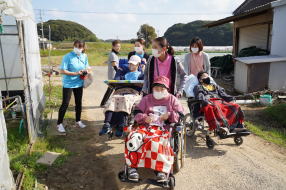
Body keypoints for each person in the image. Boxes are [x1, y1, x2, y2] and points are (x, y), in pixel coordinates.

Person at [125, 76, 184, 182]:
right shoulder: (147, 99)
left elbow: (180, 114)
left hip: (163, 128)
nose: (159, 91)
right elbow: (137, 112)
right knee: (133, 137)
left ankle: (159, 170)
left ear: (167, 89)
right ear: (152, 89)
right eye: (157, 89)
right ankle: (132, 168)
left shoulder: (172, 99)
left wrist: (170, 115)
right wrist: (144, 118)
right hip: (145, 127)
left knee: (155, 141)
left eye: (162, 89)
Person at [99, 55, 143, 137]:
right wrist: (119, 75)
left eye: (133, 64)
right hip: (121, 91)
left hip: (133, 93)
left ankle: (121, 125)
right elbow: (117, 81)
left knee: (125, 99)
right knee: (113, 99)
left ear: (138, 65)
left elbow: (142, 86)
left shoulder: (141, 75)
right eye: (129, 64)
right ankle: (107, 124)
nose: (130, 66)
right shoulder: (124, 74)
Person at [57, 40, 91, 133]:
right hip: (68, 84)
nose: (77, 48)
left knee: (78, 103)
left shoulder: (84, 56)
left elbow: (88, 67)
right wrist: (75, 73)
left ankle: (78, 120)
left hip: (79, 83)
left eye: (80, 47)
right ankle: (59, 123)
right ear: (73, 46)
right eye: (76, 46)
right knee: (65, 103)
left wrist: (86, 71)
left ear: (83, 48)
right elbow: (62, 70)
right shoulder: (67, 56)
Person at [100, 40, 121, 107]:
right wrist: (118, 72)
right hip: (113, 75)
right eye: (117, 46)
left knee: (110, 89)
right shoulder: (112, 54)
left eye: (119, 46)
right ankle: (104, 103)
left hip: (113, 74)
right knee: (111, 89)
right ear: (113, 46)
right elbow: (114, 64)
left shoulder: (113, 54)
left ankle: (104, 103)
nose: (118, 48)